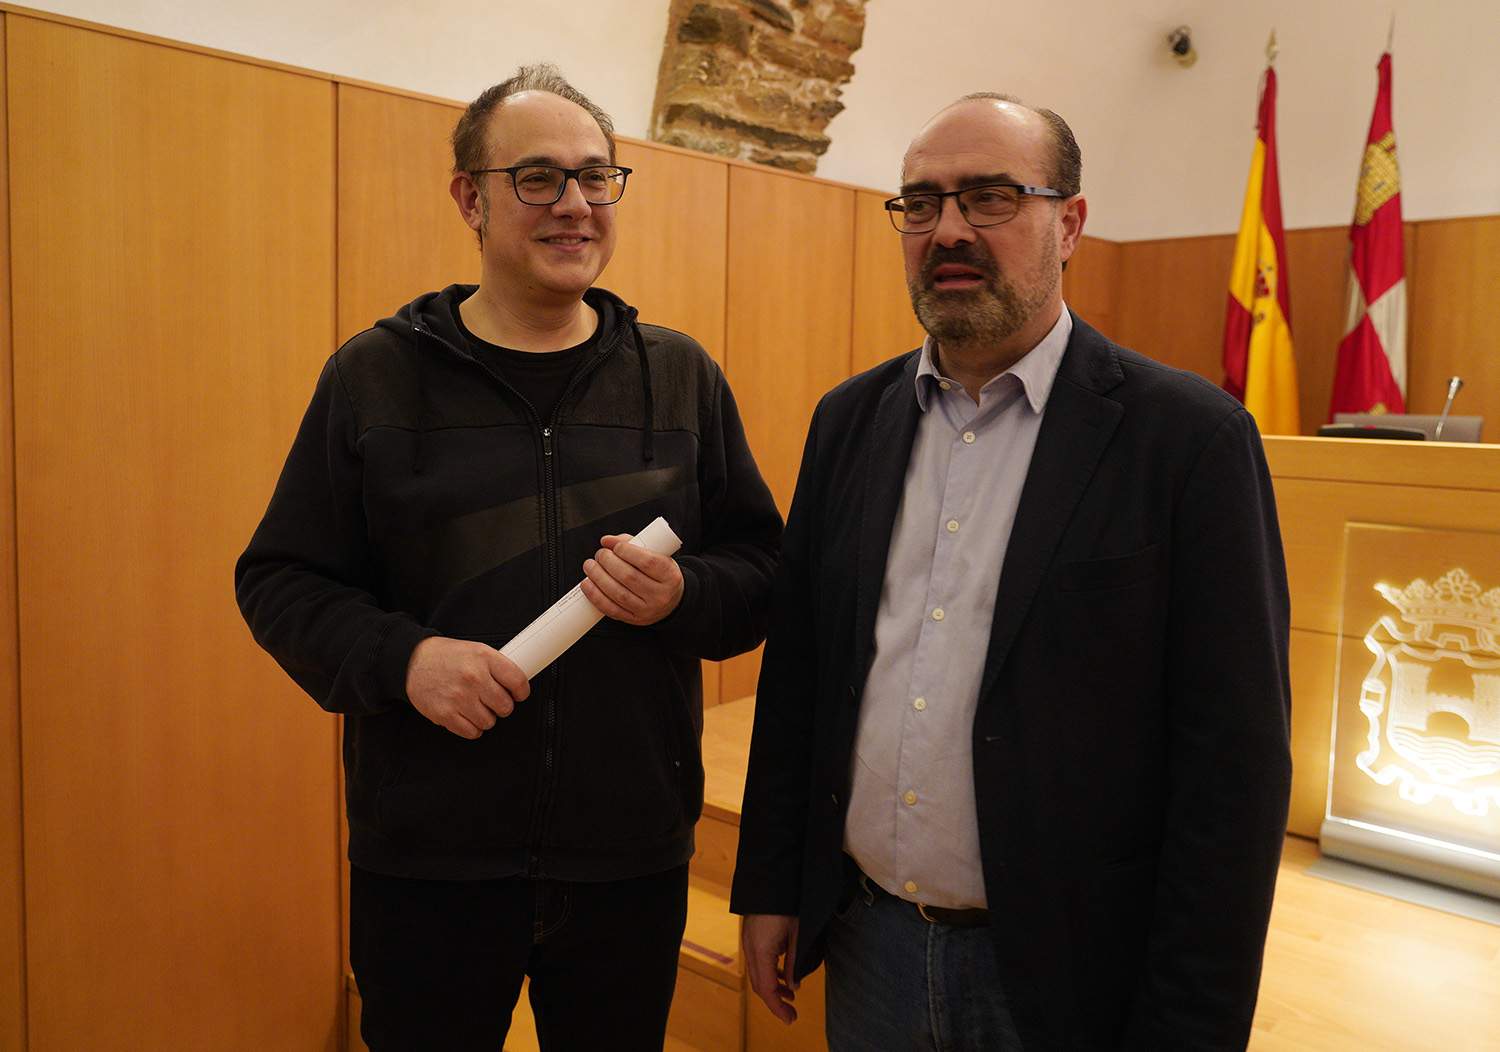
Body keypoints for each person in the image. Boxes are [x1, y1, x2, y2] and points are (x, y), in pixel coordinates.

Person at [235, 64, 780, 1051]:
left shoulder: (682, 377)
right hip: (430, 863)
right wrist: (405, 661)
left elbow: (759, 572)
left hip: (630, 858)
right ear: (469, 197)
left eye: (595, 176)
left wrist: (682, 594)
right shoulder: (376, 373)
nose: (574, 204)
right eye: (537, 178)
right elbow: (281, 577)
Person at [732, 92, 1292, 1050]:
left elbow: (1233, 771)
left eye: (990, 197)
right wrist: (775, 882)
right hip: (869, 946)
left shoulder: (1189, 441)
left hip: (1070, 973)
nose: (947, 229)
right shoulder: (848, 421)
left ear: (1069, 223)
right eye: (920, 202)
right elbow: (803, 676)